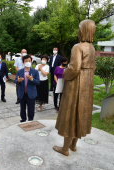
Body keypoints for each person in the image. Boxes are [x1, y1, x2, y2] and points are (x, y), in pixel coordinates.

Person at [53, 20, 96, 156]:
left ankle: (65, 149)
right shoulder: (92, 48)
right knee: (81, 113)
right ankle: (73, 145)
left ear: (83, 30)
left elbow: (75, 68)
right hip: (87, 84)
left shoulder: (77, 47)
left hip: (76, 84)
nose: (78, 30)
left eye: (79, 28)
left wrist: (65, 73)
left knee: (71, 113)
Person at [15, 55, 40, 122]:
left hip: (31, 93)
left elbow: (38, 82)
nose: (28, 62)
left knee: (31, 109)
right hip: (22, 93)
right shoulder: (19, 71)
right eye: (26, 61)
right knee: (22, 108)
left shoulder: (35, 72)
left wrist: (32, 79)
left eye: (29, 61)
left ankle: (30, 120)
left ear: (31, 62)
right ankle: (23, 119)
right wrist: (18, 81)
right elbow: (15, 80)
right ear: (23, 62)